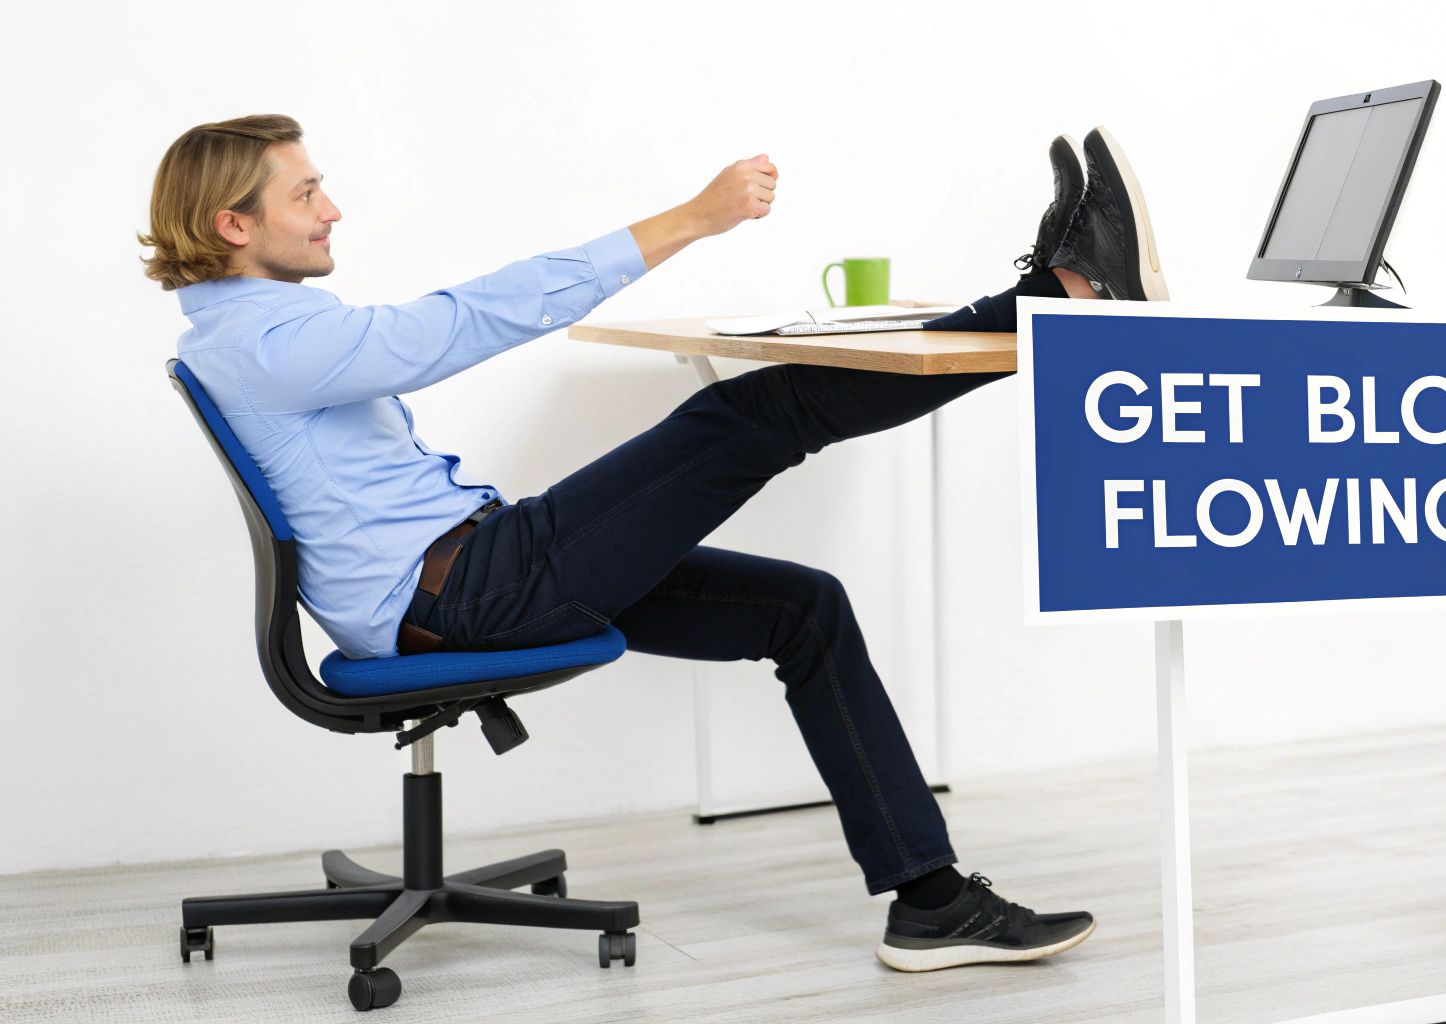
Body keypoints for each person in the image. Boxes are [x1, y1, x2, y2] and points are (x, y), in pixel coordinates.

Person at [143, 114, 1167, 971]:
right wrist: (691, 220)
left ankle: (930, 901)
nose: (331, 208)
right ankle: (1061, 299)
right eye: (305, 193)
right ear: (233, 224)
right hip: (467, 594)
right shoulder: (270, 340)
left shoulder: (249, 329)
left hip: (471, 575)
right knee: (753, 412)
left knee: (799, 608)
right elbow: (460, 324)